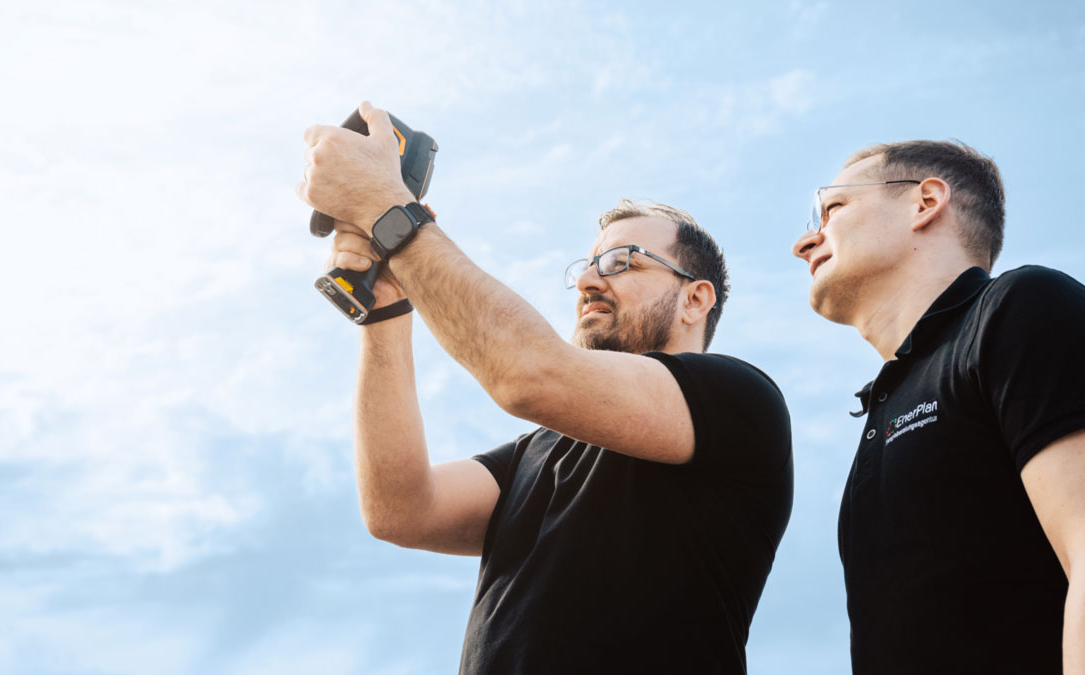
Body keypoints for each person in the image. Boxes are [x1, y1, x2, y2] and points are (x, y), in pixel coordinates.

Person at [298, 102, 793, 673]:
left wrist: (386, 207)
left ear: (695, 299)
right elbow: (399, 510)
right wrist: (385, 311)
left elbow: (527, 373)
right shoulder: (539, 451)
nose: (587, 280)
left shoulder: (738, 399)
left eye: (621, 261)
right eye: (585, 266)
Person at [791, 140, 1085, 673]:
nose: (804, 240)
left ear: (925, 202)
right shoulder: (882, 407)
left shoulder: (1022, 307)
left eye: (831, 209)